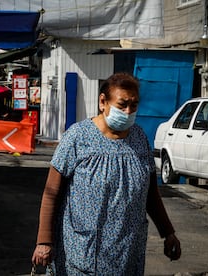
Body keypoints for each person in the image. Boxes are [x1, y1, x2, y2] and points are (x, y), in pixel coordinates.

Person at [31, 72, 181, 275]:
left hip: (128, 250)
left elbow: (151, 195)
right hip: (83, 249)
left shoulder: (139, 138)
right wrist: (44, 241)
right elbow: (52, 193)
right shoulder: (77, 137)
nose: (128, 112)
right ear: (103, 102)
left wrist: (168, 233)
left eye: (134, 105)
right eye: (122, 105)